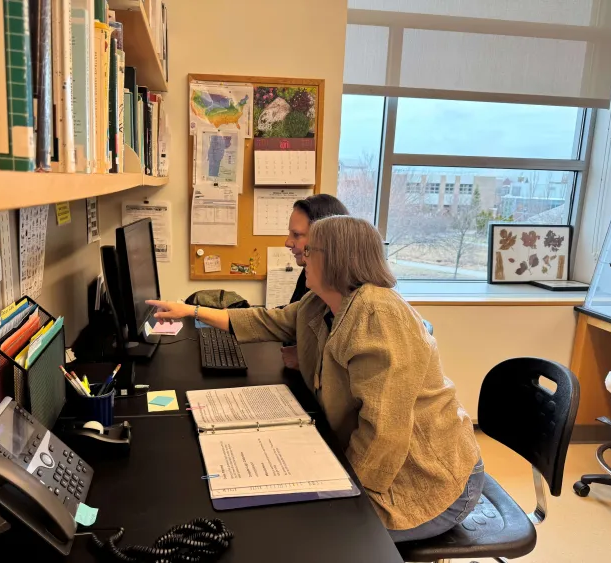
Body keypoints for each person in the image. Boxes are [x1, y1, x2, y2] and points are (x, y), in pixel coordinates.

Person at [147, 216, 483, 541]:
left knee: (316, 534)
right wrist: (191, 310)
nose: (301, 257)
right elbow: (266, 320)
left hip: (425, 480)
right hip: (381, 461)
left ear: (337, 259)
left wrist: (346, 502)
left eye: (310, 251)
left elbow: (385, 430)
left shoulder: (378, 314)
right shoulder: (320, 303)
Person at [281, 194, 348, 369]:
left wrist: (306, 357)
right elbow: (294, 318)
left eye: (296, 235)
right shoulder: (309, 272)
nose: (288, 242)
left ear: (326, 237)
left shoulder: (354, 297)